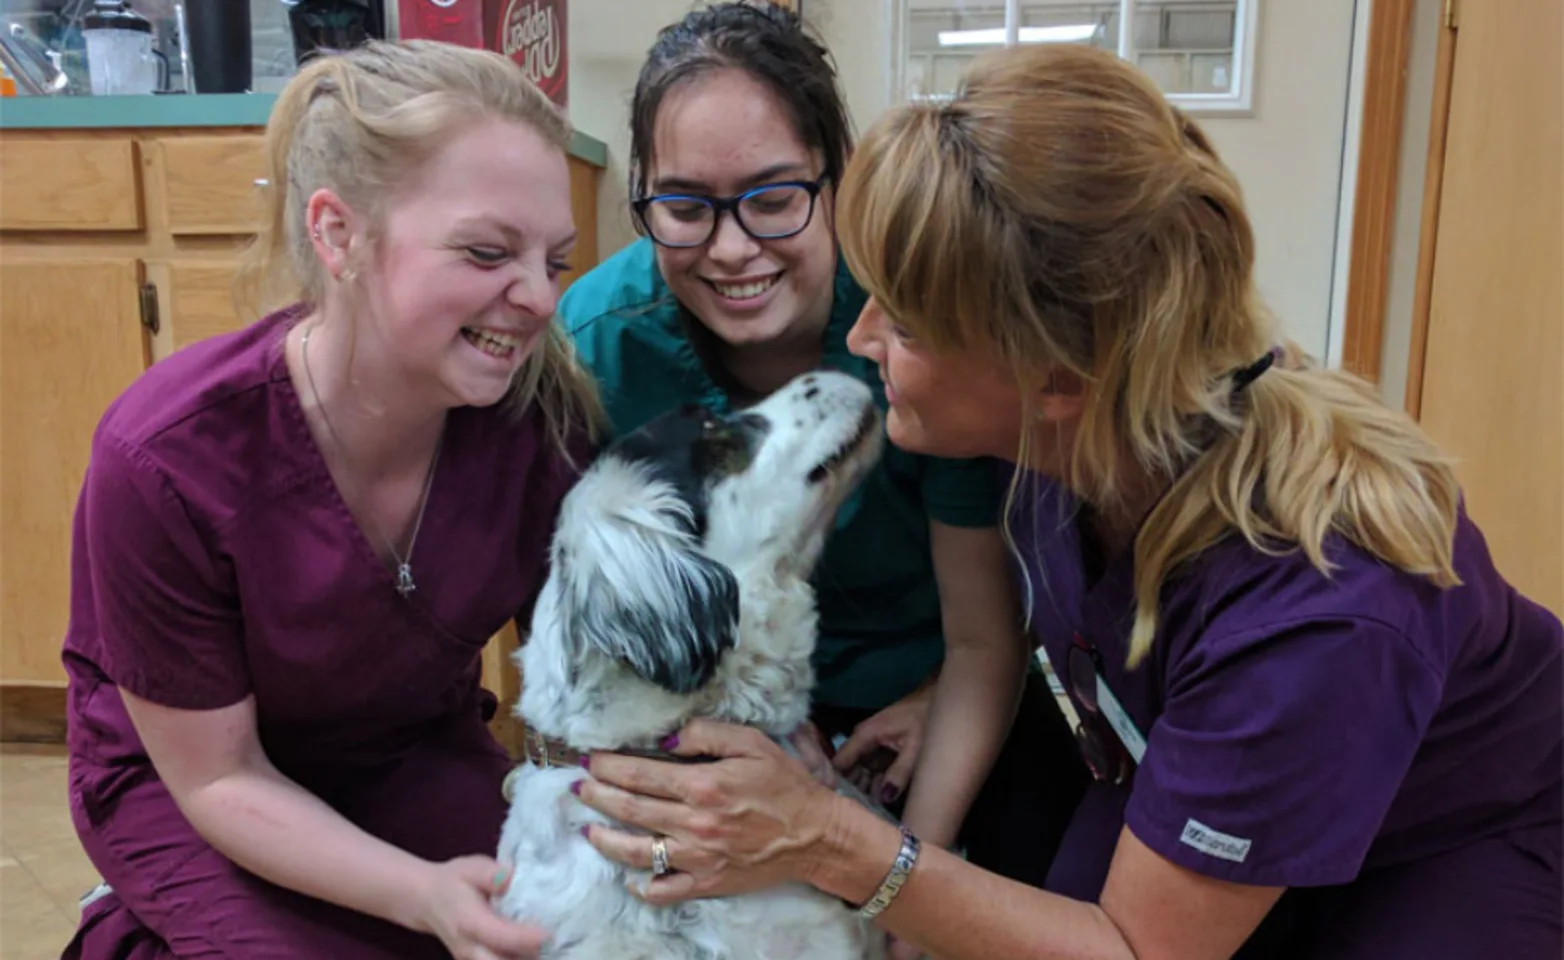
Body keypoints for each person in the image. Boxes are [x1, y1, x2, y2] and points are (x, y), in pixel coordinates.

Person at [566, 41, 1564, 960]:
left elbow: (1138, 950)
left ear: (1054, 377)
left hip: (1452, 839)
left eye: (904, 324)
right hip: (1175, 756)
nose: (862, 342)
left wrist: (833, 842)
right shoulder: (1084, 447)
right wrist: (924, 716)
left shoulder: (1316, 614)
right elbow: (1081, 648)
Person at [60, 40, 602, 960]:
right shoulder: (167, 457)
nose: (541, 299)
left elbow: (592, 674)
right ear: (338, 233)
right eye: (486, 251)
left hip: (405, 748)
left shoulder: (537, 425)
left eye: (554, 259)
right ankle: (127, 920)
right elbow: (218, 777)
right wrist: (420, 894)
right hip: (191, 782)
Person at [554, 4, 1089, 916]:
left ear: (837, 180)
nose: (731, 249)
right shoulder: (600, 344)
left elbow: (981, 638)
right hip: (706, 723)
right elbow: (593, 622)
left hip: (935, 702)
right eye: (684, 207)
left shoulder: (915, 337)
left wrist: (912, 879)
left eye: (772, 199)